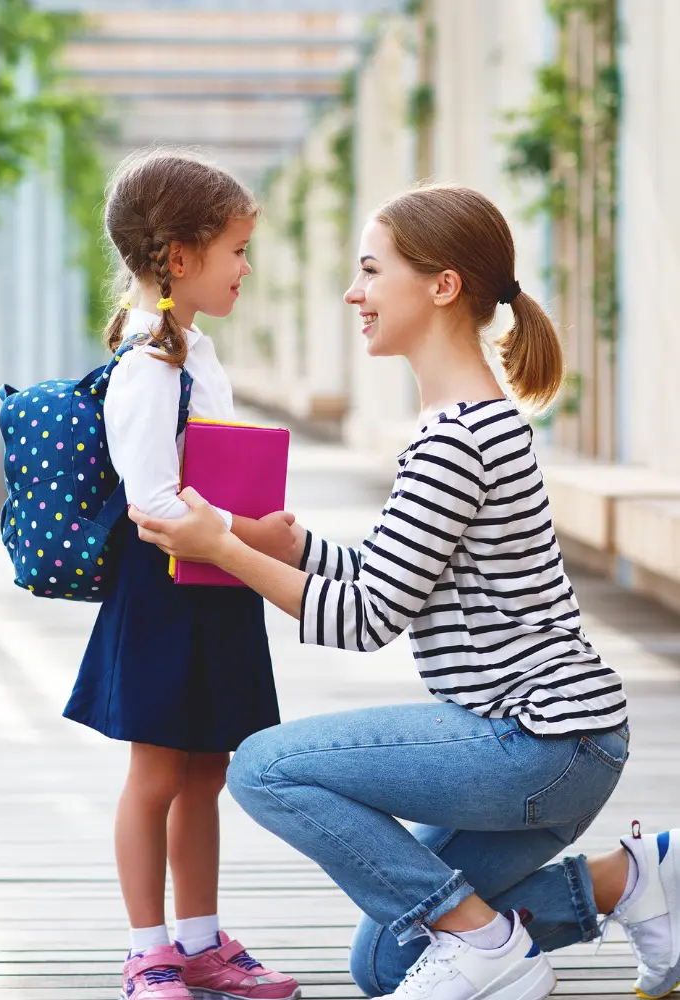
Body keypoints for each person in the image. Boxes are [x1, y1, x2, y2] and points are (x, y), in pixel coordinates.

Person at [128, 184, 680, 1000]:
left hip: (537, 742)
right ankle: (632, 883)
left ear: (442, 286)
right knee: (387, 962)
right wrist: (294, 547)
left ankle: (484, 940)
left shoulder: (456, 439)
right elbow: (397, 573)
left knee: (264, 768)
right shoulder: (470, 421)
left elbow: (366, 619)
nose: (354, 294)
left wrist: (224, 550)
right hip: (567, 745)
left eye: (371, 271)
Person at [63, 151, 301, 1000]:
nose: (245, 268)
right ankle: (147, 951)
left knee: (206, 771)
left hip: (211, 588)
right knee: (157, 776)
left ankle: (200, 942)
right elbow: (154, 505)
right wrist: (252, 534)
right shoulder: (148, 365)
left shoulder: (192, 350)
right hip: (166, 590)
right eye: (236, 249)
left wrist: (246, 532)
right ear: (179, 256)